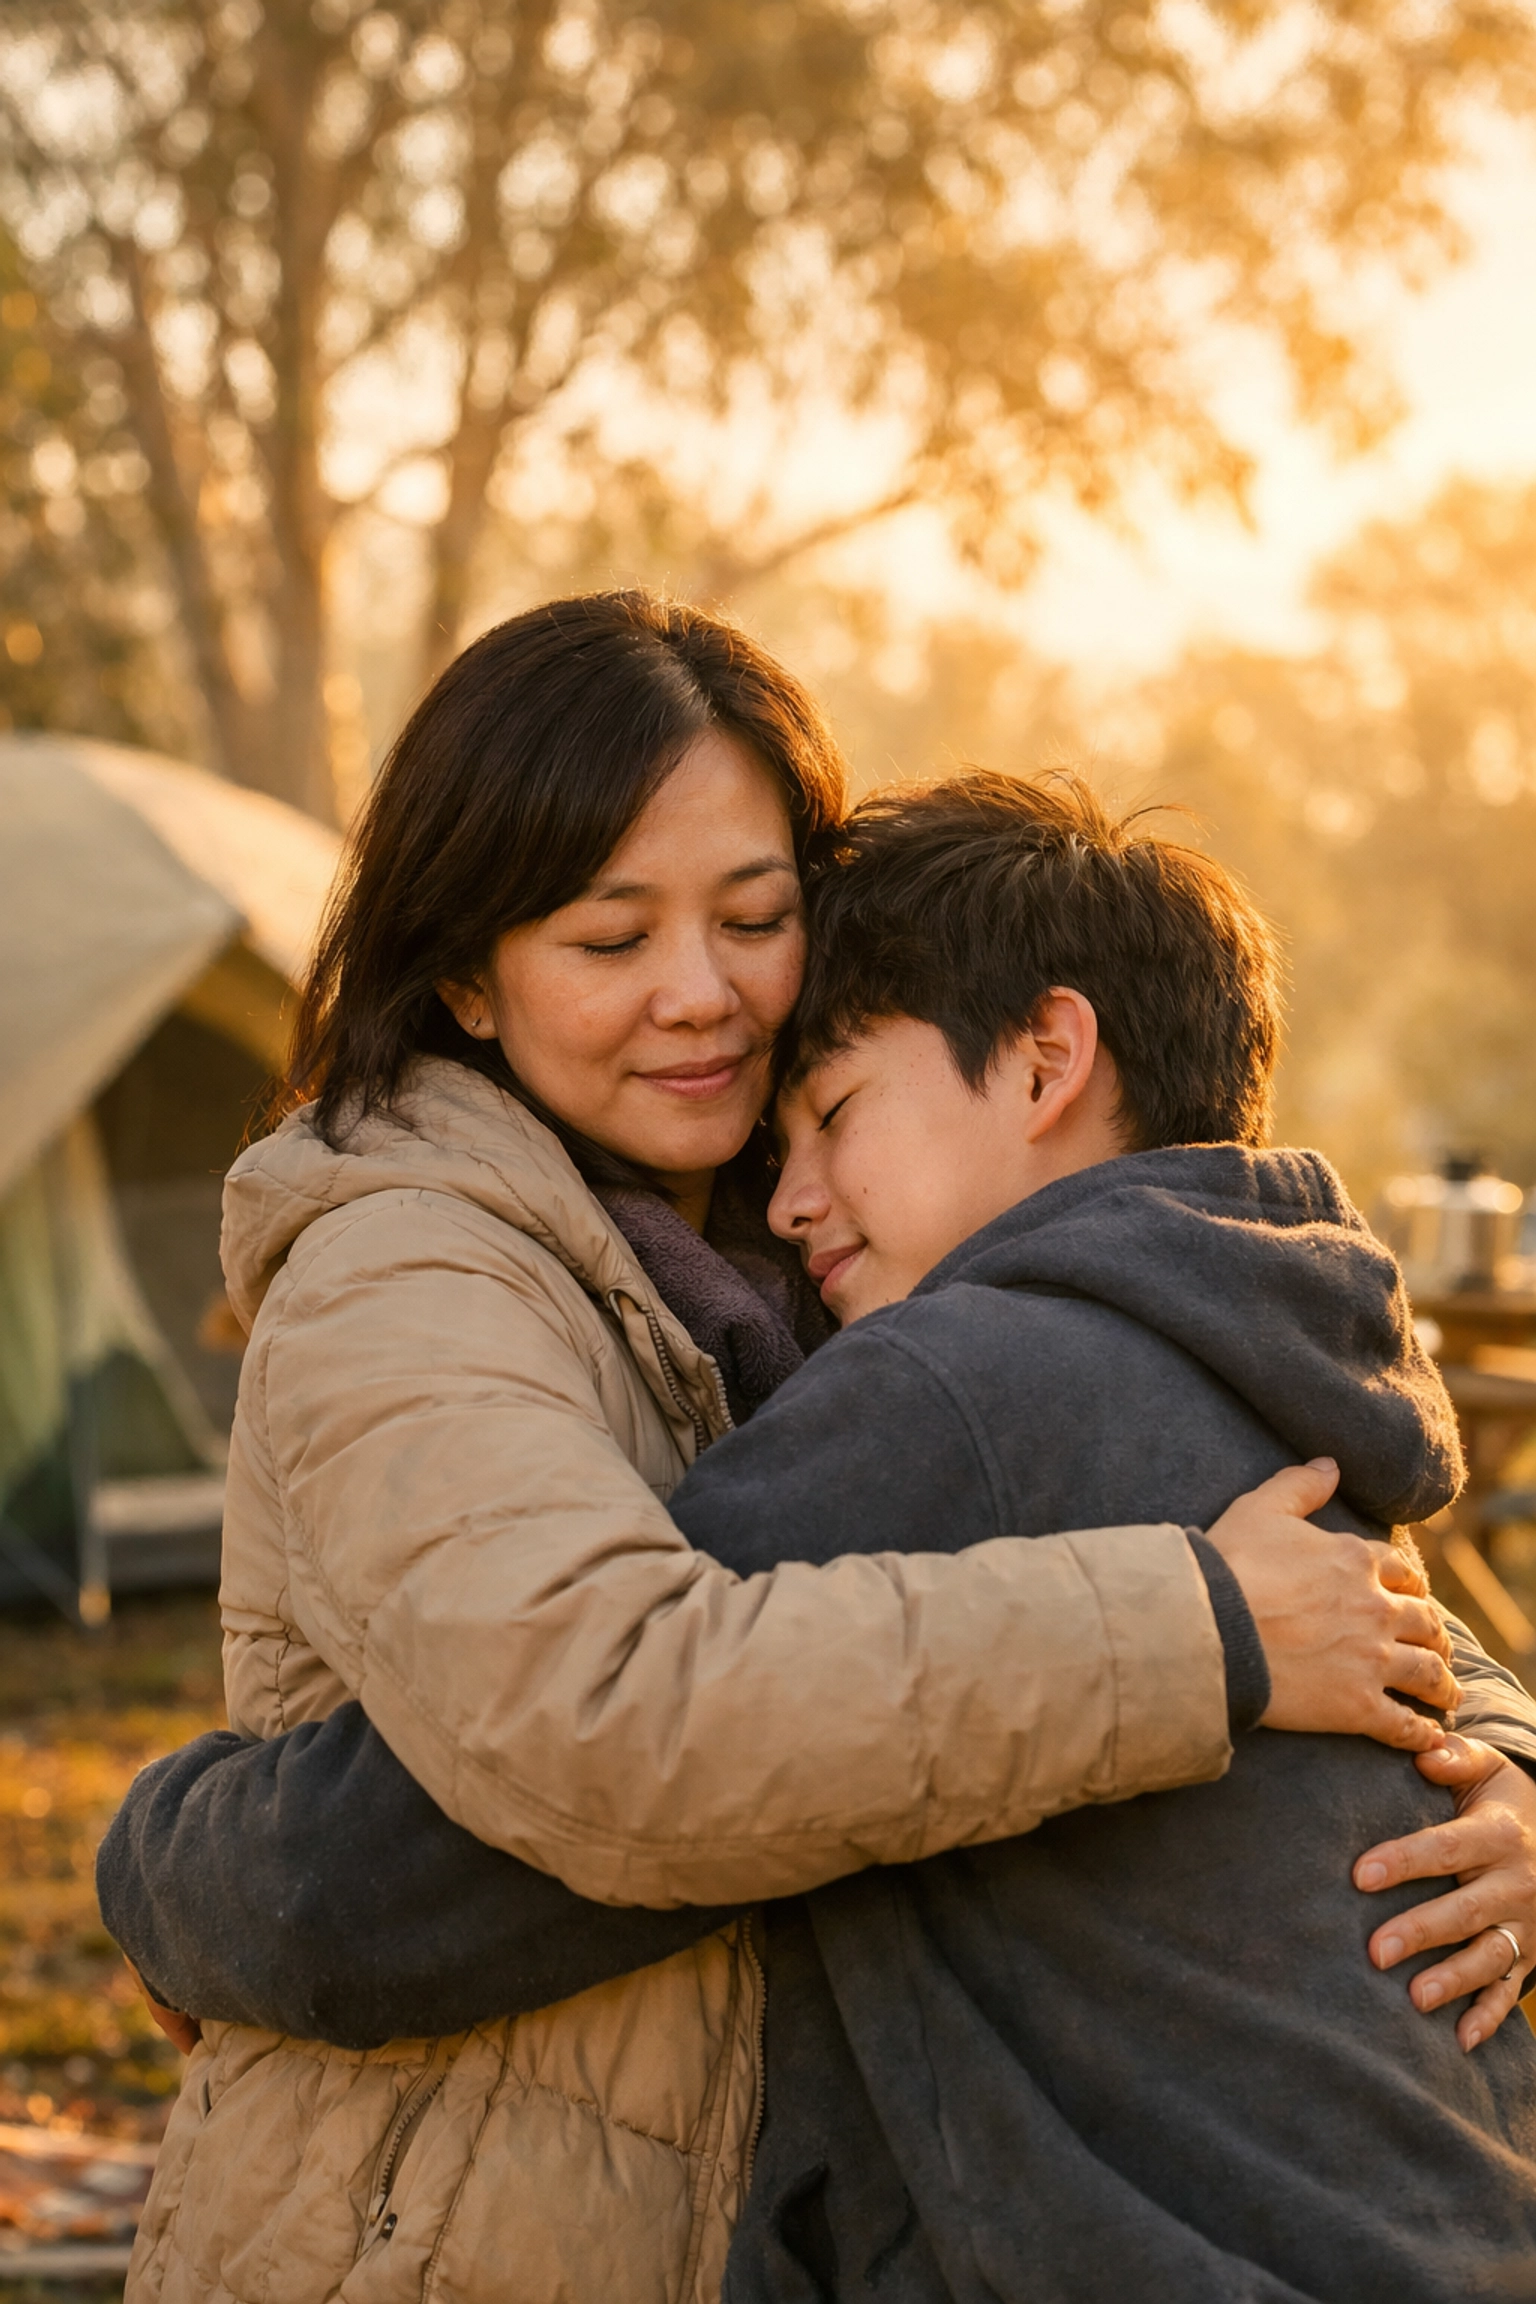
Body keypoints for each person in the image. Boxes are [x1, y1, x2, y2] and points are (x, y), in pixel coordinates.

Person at [101, 600, 1520, 2304]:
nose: (702, 995)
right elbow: (601, 1737)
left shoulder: (860, 1277)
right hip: (471, 2228)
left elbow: (1327, 1588)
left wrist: (1501, 1760)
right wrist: (190, 1872)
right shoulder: (421, 1267)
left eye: (756, 919)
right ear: (468, 975)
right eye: (610, 938)